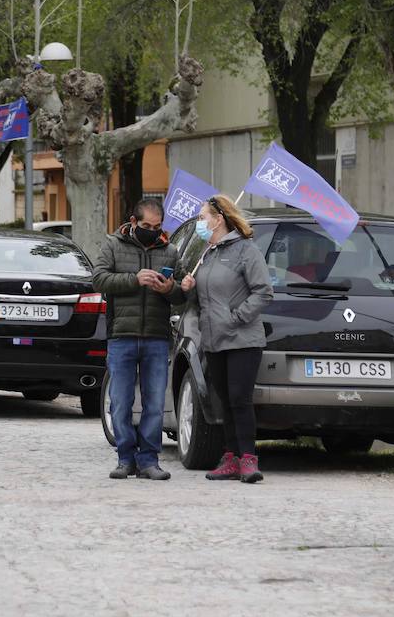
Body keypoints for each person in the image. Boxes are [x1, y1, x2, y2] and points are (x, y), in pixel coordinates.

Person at [180, 194, 273, 483]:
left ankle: (248, 459)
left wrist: (237, 319)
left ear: (218, 219)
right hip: (214, 340)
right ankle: (231, 457)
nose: (200, 222)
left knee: (239, 399)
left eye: (202, 217)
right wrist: (190, 288)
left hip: (243, 339)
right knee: (224, 401)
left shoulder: (246, 250)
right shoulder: (207, 252)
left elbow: (263, 291)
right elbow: (205, 299)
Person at [92, 198, 185, 481]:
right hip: (121, 335)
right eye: (146, 226)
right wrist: (135, 279)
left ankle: (149, 460)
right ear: (133, 223)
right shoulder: (113, 246)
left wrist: (171, 288)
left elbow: (182, 295)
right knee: (120, 401)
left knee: (155, 402)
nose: (152, 231)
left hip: (157, 337)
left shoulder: (170, 251)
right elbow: (98, 279)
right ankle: (125, 458)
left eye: (157, 227)